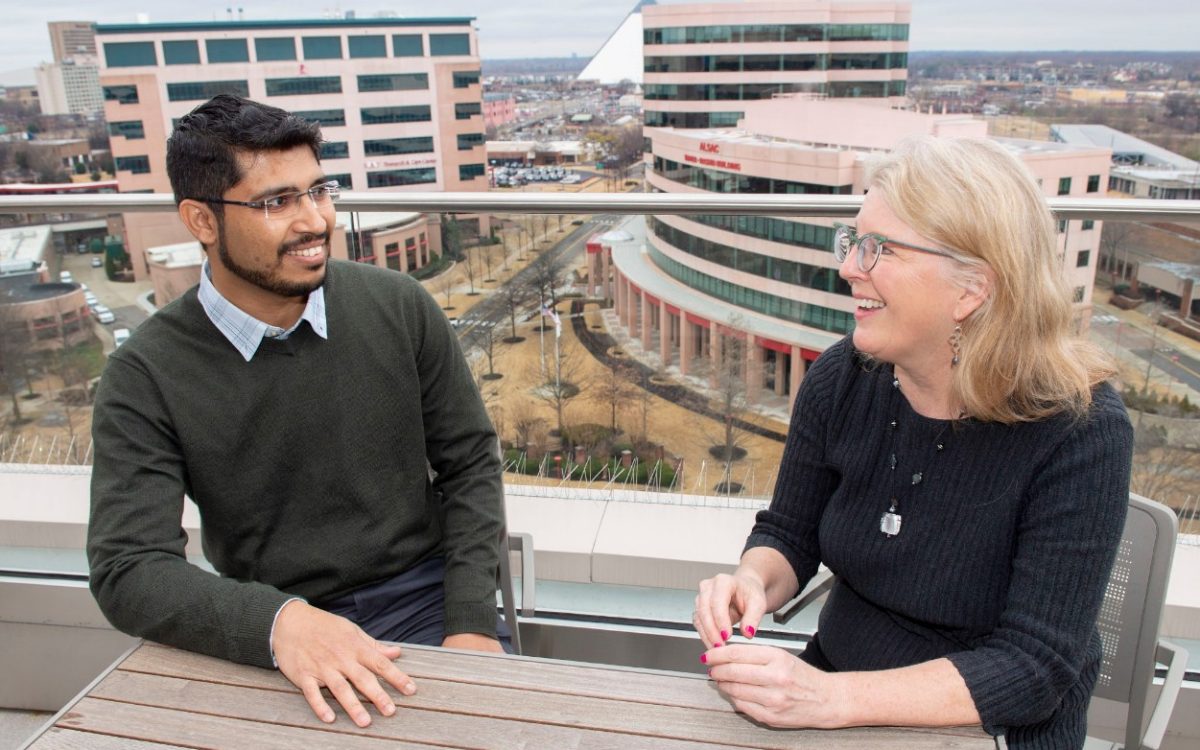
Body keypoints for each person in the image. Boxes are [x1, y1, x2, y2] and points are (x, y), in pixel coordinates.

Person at [692, 136, 1133, 749]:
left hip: (987, 731)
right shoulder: (842, 377)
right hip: (836, 697)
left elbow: (1034, 667)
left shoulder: (1079, 429)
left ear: (970, 288)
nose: (849, 267)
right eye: (853, 243)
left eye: (880, 250)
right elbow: (789, 534)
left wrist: (831, 699)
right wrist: (750, 582)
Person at [87, 94, 508, 729]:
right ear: (201, 221)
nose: (315, 221)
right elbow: (128, 568)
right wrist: (280, 623)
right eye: (276, 202)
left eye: (319, 191)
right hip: (270, 625)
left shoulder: (398, 305)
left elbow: (471, 464)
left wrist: (473, 620)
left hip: (426, 598)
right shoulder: (144, 374)